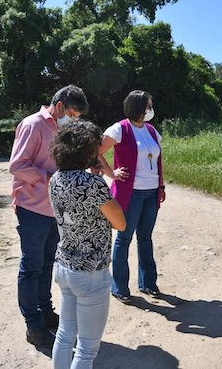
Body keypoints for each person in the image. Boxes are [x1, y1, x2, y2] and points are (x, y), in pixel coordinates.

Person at [9, 85, 88, 348]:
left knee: (46, 266)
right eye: (73, 114)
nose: (74, 120)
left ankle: (44, 312)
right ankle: (33, 325)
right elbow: (17, 166)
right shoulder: (33, 125)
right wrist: (49, 179)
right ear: (60, 106)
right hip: (32, 208)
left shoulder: (61, 130)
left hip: (54, 210)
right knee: (32, 267)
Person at [49, 120, 126, 369]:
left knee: (64, 334)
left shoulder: (55, 179)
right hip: (91, 271)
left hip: (64, 265)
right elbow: (120, 223)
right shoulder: (92, 184)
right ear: (88, 151)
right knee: (87, 348)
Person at [97, 90, 166, 303]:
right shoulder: (119, 129)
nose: (151, 109)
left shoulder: (152, 131)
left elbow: (158, 160)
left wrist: (161, 186)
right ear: (137, 107)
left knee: (145, 237)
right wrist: (111, 173)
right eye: (148, 105)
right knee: (124, 238)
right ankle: (119, 287)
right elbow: (96, 151)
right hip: (130, 193)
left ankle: (148, 283)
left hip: (151, 192)